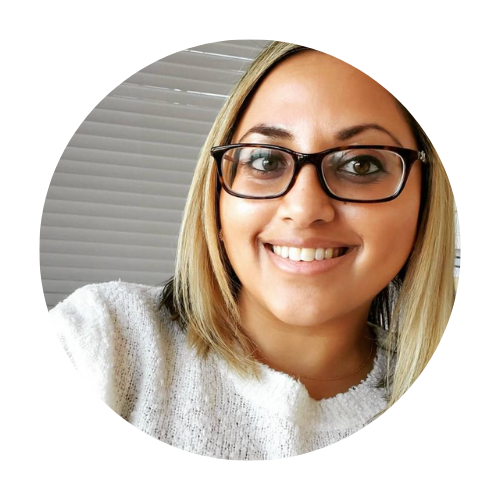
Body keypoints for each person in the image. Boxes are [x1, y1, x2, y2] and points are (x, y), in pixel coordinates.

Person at [47, 41, 457, 460]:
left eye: (361, 164)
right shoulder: (101, 340)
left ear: (426, 200)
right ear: (217, 197)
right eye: (265, 161)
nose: (304, 209)